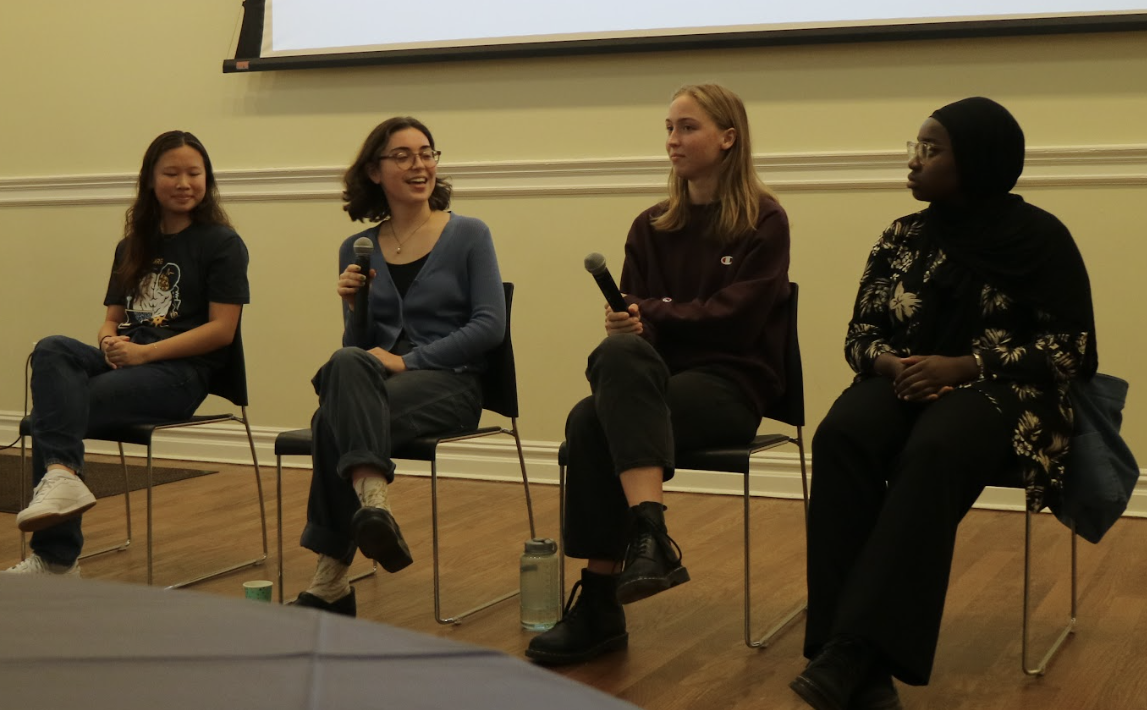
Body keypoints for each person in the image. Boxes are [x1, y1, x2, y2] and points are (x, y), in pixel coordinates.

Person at [791, 97, 1097, 710]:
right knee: (842, 433)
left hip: (1007, 392)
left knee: (935, 446)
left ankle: (853, 649)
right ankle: (854, 657)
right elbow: (860, 336)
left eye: (930, 151)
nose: (913, 162)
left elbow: (1070, 348)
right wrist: (890, 364)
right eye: (916, 147)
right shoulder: (903, 235)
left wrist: (966, 365)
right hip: (904, 380)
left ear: (977, 163)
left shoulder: (1040, 238)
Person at [526, 84, 791, 664]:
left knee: (593, 417)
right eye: (669, 128)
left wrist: (657, 314)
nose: (673, 140)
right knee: (605, 383)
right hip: (656, 381)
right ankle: (648, 535)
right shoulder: (649, 225)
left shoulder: (765, 220)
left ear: (728, 137)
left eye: (688, 128)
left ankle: (601, 601)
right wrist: (632, 325)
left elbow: (738, 322)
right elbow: (641, 322)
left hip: (729, 387)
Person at [4, 131, 250, 576]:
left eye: (194, 173)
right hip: (128, 357)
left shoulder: (221, 244)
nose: (184, 182)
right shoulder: (132, 244)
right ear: (150, 181)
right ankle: (63, 477)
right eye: (171, 173)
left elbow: (221, 331)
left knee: (53, 411)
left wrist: (142, 357)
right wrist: (107, 343)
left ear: (207, 179)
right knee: (52, 348)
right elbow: (110, 320)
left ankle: (57, 558)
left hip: (180, 372)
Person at [289, 117, 505, 617]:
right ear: (374, 171)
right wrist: (354, 306)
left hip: (451, 385)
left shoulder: (469, 234)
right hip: (377, 389)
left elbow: (490, 326)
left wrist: (408, 359)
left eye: (427, 153)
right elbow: (358, 349)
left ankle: (332, 579)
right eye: (403, 156)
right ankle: (373, 504)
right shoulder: (358, 248)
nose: (419, 165)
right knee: (345, 363)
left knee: (329, 421)